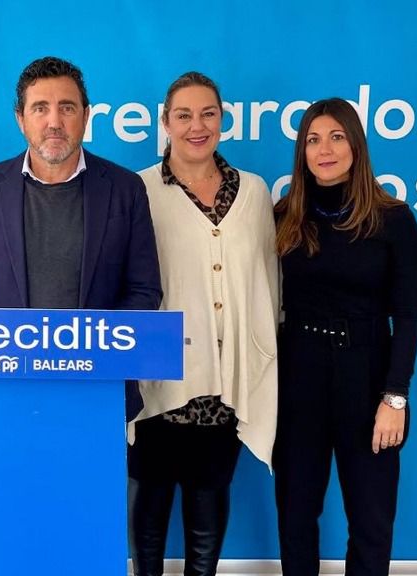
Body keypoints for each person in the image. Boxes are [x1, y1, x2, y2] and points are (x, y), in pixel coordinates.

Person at [128, 72, 279, 576]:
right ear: (165, 122)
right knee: (150, 497)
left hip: (226, 378)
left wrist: (261, 351)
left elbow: (267, 280)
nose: (197, 126)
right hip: (160, 375)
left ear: (222, 119)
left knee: (209, 495)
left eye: (208, 114)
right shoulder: (139, 189)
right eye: (184, 115)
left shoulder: (252, 191)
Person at [273, 97, 417, 576]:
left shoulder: (394, 219)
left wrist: (395, 397)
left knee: (371, 519)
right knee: (296, 514)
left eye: (336, 137)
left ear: (356, 145)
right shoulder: (285, 216)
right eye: (313, 140)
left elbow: (408, 318)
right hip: (299, 378)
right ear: (302, 151)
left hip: (367, 378)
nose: (325, 150)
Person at [0, 55, 161, 332]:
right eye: (40, 108)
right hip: (5, 357)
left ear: (86, 116)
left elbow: (144, 290)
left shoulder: (126, 189)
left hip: (98, 358)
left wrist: (98, 343)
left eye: (67, 108)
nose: (54, 122)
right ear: (20, 119)